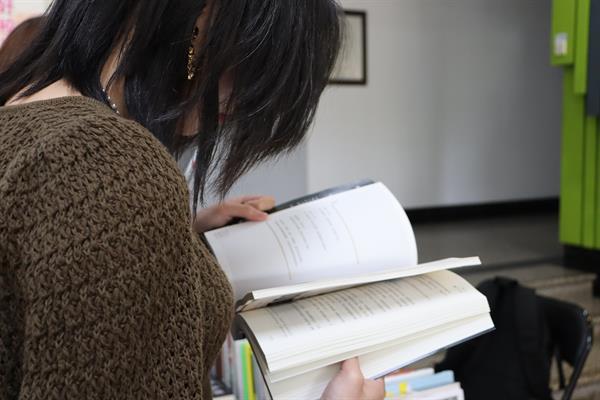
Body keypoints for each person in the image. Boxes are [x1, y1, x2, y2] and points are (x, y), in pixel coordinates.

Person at [0, 1, 385, 399]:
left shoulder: (26, 122)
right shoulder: (106, 161)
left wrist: (184, 236)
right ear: (201, 18)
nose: (240, 107)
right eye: (253, 68)